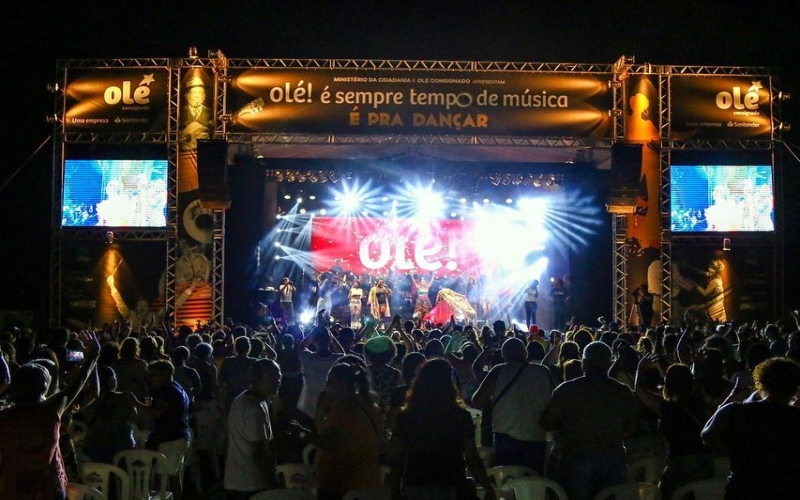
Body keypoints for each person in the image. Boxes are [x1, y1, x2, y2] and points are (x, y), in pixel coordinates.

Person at [0, 331, 100, 500]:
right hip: (49, 489)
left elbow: (4, 382)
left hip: (13, 489)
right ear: (45, 386)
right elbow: (79, 382)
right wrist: (93, 354)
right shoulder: (50, 411)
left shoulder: (5, 416)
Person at [540, 341, 640, 500]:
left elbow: (545, 422)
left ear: (584, 363)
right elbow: (633, 426)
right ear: (608, 363)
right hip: (612, 456)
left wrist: (566, 428)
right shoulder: (622, 391)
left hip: (576, 455)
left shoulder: (567, 390)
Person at [390, 358, 496, 500]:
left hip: (415, 483)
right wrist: (487, 487)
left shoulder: (406, 416)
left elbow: (397, 456)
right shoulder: (461, 416)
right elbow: (472, 458)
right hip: (452, 484)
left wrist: (395, 489)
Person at [702, 357, 800, 500]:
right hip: (786, 491)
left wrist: (730, 400)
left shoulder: (735, 411)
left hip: (743, 489)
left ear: (761, 382)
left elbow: (707, 436)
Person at [289, 361, 383, 500]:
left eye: (330, 382)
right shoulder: (369, 405)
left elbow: (333, 443)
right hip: (368, 479)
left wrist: (300, 433)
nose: (326, 387)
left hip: (341, 481)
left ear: (343, 384)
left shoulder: (344, 408)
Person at [634, 355, 714, 500]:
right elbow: (687, 380)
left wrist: (640, 369)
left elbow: (640, 390)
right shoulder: (699, 401)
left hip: (680, 464)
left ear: (667, 384)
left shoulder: (667, 408)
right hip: (704, 461)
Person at [471, 337, 554, 474]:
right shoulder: (543, 371)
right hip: (536, 435)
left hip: (505, 436)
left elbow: (477, 399)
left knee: (508, 482)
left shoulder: (499, 371)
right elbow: (553, 400)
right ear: (525, 353)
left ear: (504, 355)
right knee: (533, 482)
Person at [224, 359, 282, 500]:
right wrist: (273, 486)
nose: (277, 382)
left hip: (239, 481)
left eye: (278, 377)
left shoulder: (248, 400)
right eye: (272, 378)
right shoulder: (253, 408)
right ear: (256, 378)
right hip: (250, 485)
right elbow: (259, 453)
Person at [81, 365, 138, 464]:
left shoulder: (88, 400)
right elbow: (133, 417)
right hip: (122, 449)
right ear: (112, 380)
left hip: (93, 447)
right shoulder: (125, 399)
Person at [179, 75, 213, 150]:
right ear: (186, 95)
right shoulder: (177, 113)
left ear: (204, 96)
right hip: (183, 155)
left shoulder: (212, 113)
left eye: (200, 93)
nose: (197, 96)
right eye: (194, 93)